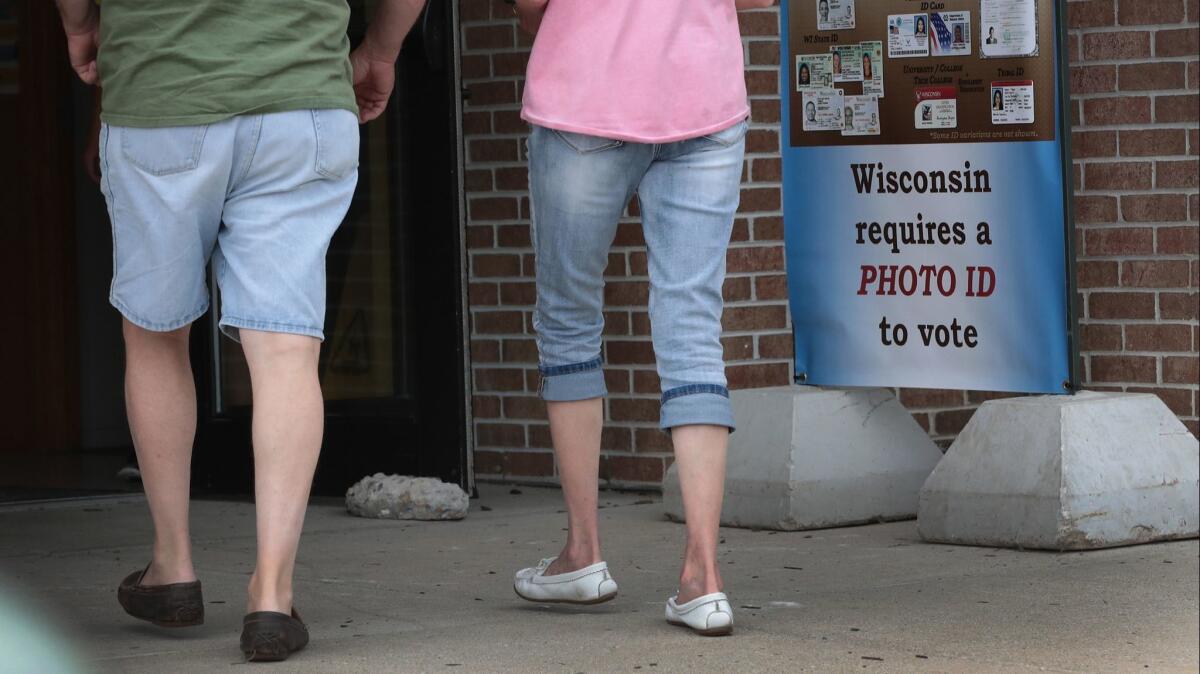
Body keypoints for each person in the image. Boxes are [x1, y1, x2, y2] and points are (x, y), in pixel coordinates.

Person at [53, 0, 427, 662]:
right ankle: (273, 597)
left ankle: (172, 566)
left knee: (155, 334)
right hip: (301, 97)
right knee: (286, 351)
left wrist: (82, 25)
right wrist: (380, 48)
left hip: (161, 93)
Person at [510, 0, 774, 637]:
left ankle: (582, 552)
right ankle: (702, 578)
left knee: (569, 317)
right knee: (692, 325)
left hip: (587, 92)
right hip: (704, 95)